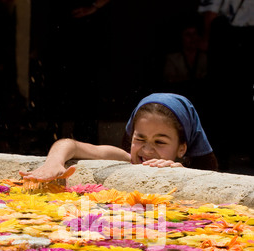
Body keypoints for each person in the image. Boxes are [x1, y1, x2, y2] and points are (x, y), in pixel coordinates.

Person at [19, 93, 218, 182]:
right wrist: (53, 163)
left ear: (182, 148)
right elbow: (69, 144)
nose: (147, 151)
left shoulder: (188, 175)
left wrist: (184, 175)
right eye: (140, 139)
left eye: (160, 142)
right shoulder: (123, 159)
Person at [197, 0, 254, 170]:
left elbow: (211, 13)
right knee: (225, 97)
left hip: (230, 37)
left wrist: (207, 38)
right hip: (229, 35)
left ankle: (222, 157)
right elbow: (211, 13)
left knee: (224, 98)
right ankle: (221, 157)